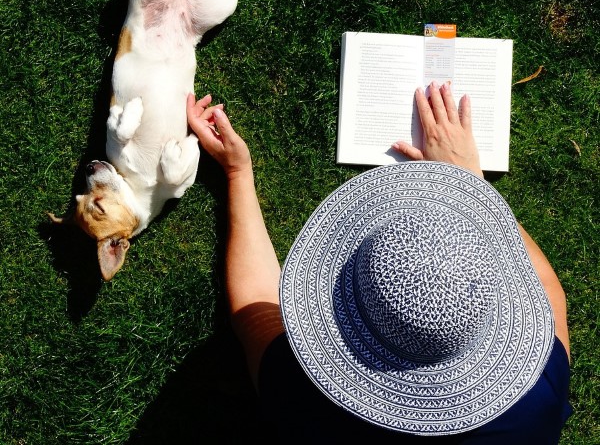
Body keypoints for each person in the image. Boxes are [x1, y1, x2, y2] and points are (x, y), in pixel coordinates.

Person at [186, 81, 571, 444]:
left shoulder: (302, 399)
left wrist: (238, 172)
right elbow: (550, 297)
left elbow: (256, 309)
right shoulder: (538, 403)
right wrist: (469, 183)